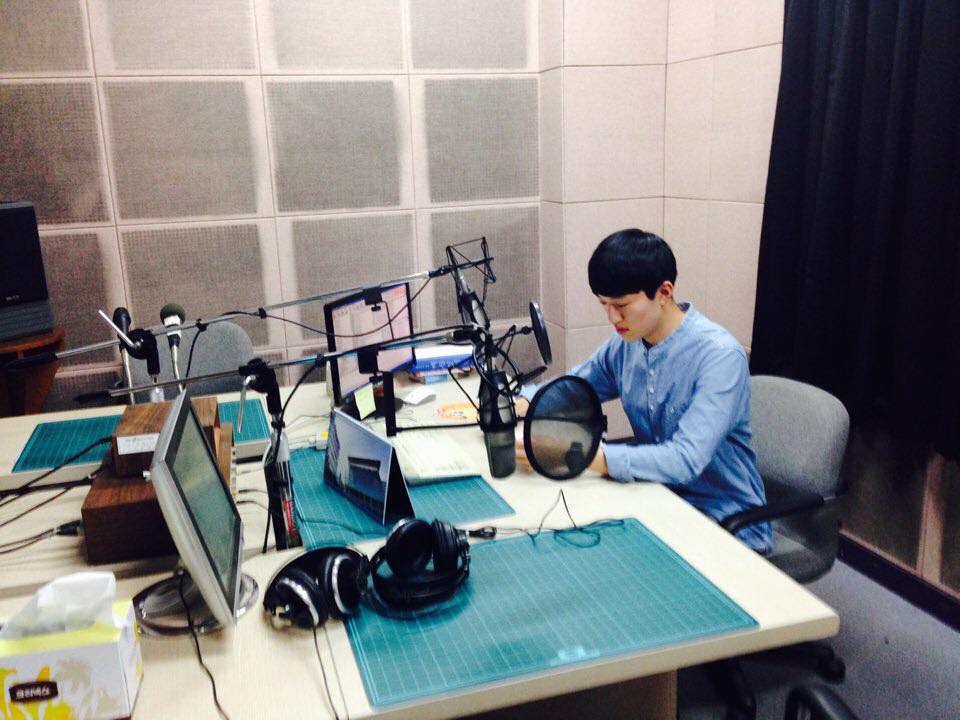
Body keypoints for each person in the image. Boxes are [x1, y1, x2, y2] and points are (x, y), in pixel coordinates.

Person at [517, 228, 771, 552]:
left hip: (726, 523)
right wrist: (518, 402)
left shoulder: (719, 357)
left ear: (664, 292)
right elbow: (573, 389)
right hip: (658, 500)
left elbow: (684, 460)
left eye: (621, 305)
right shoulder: (627, 344)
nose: (612, 317)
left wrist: (579, 455)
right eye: (604, 304)